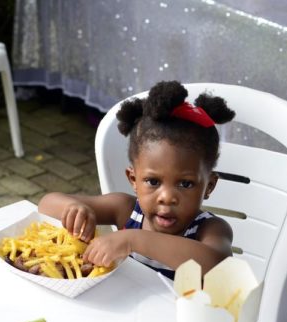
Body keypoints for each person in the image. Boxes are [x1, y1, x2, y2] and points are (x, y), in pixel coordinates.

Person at [38, 80, 236, 278]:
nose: (167, 197)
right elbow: (46, 204)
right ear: (133, 179)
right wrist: (75, 210)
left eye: (185, 184)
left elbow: (218, 263)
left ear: (209, 186)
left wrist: (133, 240)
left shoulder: (210, 229)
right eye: (153, 181)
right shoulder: (125, 210)